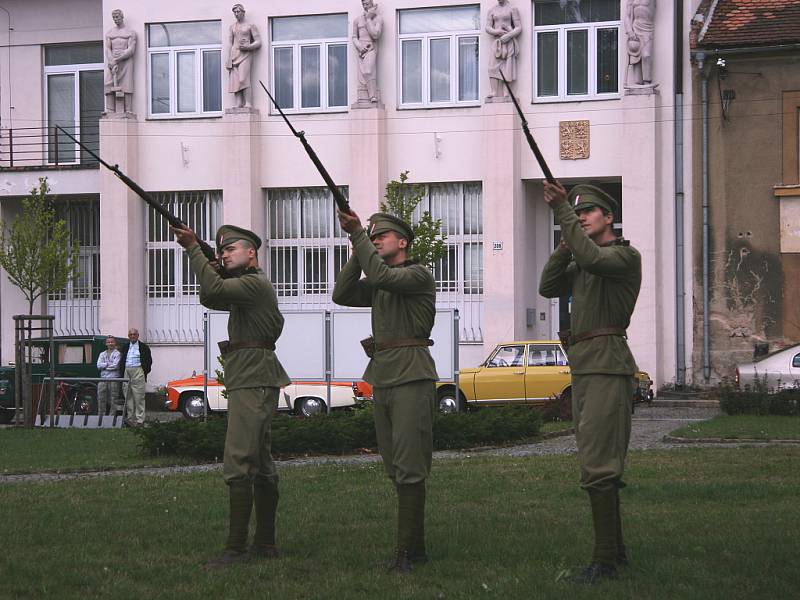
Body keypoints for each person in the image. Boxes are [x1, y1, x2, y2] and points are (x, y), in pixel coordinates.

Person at [538, 182, 642, 584]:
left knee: (599, 464)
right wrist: (566, 245)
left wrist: (566, 221)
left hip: (606, 365)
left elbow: (594, 258)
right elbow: (547, 287)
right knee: (594, 459)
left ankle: (605, 562)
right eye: (577, 213)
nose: (581, 217)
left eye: (589, 212)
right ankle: (615, 551)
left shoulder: (623, 256)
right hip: (585, 365)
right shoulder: (583, 258)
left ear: (609, 217)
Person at [171, 222, 290, 569]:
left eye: (230, 250)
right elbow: (210, 296)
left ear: (251, 253)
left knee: (238, 461)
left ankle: (236, 549)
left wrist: (194, 248)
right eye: (220, 250)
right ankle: (265, 543)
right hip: (251, 376)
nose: (223, 254)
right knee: (261, 462)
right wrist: (207, 259)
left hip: (252, 377)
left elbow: (213, 288)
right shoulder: (246, 285)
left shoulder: (253, 283)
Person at [332, 210, 437, 574]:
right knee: (395, 466)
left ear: (403, 242)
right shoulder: (382, 280)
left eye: (383, 237)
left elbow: (379, 274)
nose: (376, 241)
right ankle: (416, 547)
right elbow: (342, 293)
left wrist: (360, 237)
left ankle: (405, 555)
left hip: (411, 375)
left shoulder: (417, 274)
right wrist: (355, 248)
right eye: (373, 237)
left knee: (410, 466)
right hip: (385, 375)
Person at [226, 4, 261, 108]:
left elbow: (258, 42)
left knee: (243, 79)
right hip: (234, 54)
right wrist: (228, 58)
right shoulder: (232, 27)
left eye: (238, 11)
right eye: (235, 12)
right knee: (235, 80)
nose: (236, 14)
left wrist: (249, 47)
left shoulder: (250, 25)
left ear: (243, 12)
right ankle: (238, 103)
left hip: (245, 54)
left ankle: (248, 102)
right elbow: (230, 43)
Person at [485, 0, 522, 99]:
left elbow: (518, 27)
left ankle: (506, 92)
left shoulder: (512, 9)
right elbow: (487, 27)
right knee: (492, 66)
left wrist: (509, 35)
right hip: (497, 42)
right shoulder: (492, 10)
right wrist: (496, 31)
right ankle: (494, 91)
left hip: (508, 41)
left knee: (508, 67)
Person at [104, 9, 136, 113]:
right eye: (114, 18)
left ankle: (128, 110)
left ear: (122, 17)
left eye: (117, 17)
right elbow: (108, 48)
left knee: (126, 84)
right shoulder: (110, 33)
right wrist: (111, 61)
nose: (115, 19)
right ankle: (110, 109)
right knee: (109, 83)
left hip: (125, 61)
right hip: (112, 61)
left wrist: (118, 59)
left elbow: (131, 49)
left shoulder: (130, 33)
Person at [352, 0, 383, 103]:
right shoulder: (357, 20)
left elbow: (375, 35)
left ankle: (372, 95)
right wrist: (360, 47)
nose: (365, 6)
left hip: (371, 48)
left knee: (368, 71)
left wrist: (369, 19)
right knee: (363, 74)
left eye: (367, 4)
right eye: (363, 4)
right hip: (361, 50)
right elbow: (354, 37)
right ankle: (367, 96)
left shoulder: (378, 19)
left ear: (372, 4)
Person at [120, 328, 152, 427]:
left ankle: (140, 420)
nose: (132, 336)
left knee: (139, 396)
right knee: (128, 396)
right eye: (130, 335)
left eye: (134, 334)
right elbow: (122, 360)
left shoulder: (143, 347)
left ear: (138, 335)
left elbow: (148, 361)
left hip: (138, 370)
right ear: (128, 336)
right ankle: (130, 419)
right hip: (127, 371)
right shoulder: (125, 347)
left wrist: (143, 371)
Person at [624, 0, 656, 86]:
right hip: (635, 27)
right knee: (636, 56)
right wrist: (630, 31)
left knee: (646, 55)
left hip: (647, 28)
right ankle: (638, 83)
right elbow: (627, 16)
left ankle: (647, 81)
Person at [96, 336, 121, 416]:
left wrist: (104, 366)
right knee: (101, 398)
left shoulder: (118, 354)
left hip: (114, 378)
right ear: (106, 343)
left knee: (114, 398)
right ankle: (101, 416)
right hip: (103, 378)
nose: (110, 343)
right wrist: (108, 364)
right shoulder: (102, 354)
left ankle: (112, 416)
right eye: (109, 342)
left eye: (112, 342)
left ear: (115, 343)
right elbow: (98, 366)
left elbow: (115, 366)